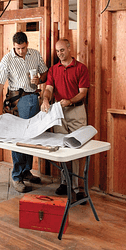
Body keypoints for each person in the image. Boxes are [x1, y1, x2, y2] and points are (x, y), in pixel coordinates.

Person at [0, 32, 48, 193]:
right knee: (17, 139)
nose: (21, 51)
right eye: (18, 48)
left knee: (31, 137)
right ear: (13, 45)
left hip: (33, 100)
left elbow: (45, 74)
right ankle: (17, 176)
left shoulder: (35, 55)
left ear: (27, 44)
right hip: (17, 101)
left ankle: (26, 171)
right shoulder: (7, 60)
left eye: (23, 48)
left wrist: (39, 79)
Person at [41, 38, 89, 204]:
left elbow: (83, 93)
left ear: (69, 49)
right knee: (62, 149)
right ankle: (64, 183)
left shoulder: (81, 68)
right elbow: (48, 89)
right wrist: (46, 100)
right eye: (57, 51)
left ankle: (78, 189)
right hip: (58, 112)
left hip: (76, 111)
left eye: (62, 50)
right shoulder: (53, 70)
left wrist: (70, 101)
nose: (59, 53)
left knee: (77, 150)